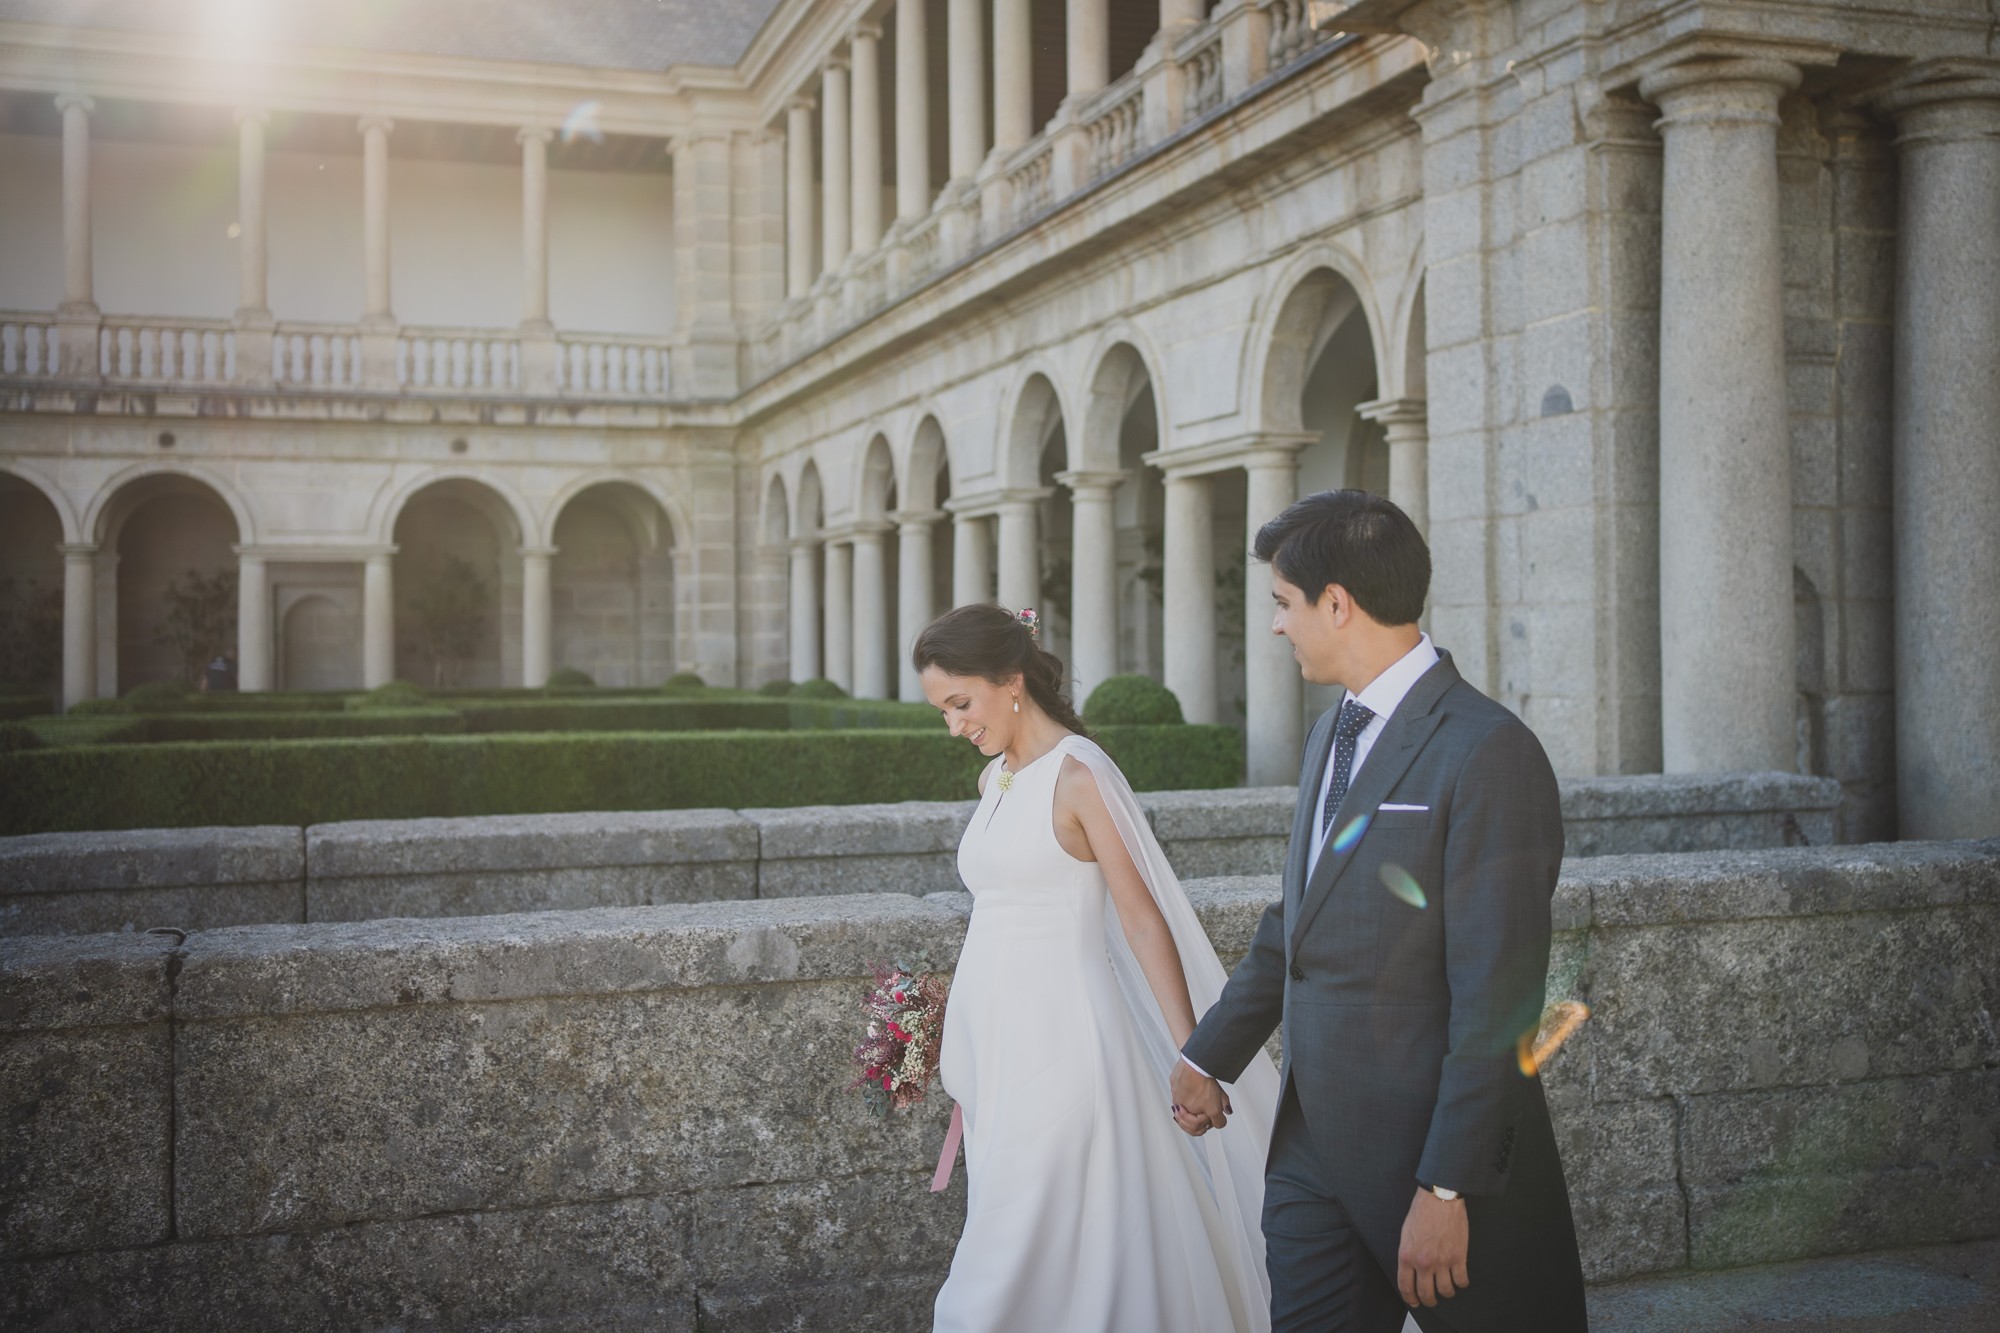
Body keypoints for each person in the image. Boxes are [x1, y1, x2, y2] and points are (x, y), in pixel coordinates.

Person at [1170, 489, 1588, 1331]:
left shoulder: (1488, 750)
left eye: (1283, 603)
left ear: (1337, 602)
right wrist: (1208, 1054)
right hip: (1308, 1148)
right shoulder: (1330, 734)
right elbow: (1298, 923)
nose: (1276, 625)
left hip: (1427, 1159)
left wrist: (1447, 1185)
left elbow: (1499, 997)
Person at [916, 602, 1281, 1333]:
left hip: (1064, 1053)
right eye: (943, 711)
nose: (954, 726)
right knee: (1043, 1248)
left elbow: (1143, 920)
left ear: (1010, 681)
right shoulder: (997, 780)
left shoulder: (1079, 776)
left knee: (1005, 1262)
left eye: (960, 704)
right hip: (1000, 1059)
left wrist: (1193, 1054)